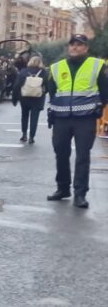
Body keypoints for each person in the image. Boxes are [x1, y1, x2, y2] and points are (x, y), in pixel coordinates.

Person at [45, 34, 108, 209]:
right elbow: (52, 92)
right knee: (61, 154)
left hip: (85, 119)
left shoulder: (96, 65)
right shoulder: (57, 67)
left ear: (86, 48)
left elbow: (105, 91)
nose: (75, 47)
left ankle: (80, 194)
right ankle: (62, 189)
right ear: (68, 47)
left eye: (79, 45)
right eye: (72, 44)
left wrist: (97, 108)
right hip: (61, 119)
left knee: (82, 156)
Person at [11, 55, 48, 144]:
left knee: (24, 116)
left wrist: (15, 99)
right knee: (34, 118)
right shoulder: (43, 72)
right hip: (37, 98)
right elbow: (47, 85)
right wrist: (43, 93)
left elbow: (16, 86)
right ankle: (32, 137)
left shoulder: (24, 71)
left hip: (25, 97)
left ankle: (24, 135)